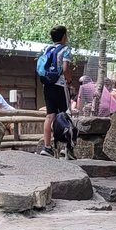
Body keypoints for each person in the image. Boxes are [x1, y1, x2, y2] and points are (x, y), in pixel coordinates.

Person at [38, 25, 73, 157]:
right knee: (65, 114)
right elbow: (65, 68)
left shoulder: (46, 49)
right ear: (64, 36)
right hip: (60, 85)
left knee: (50, 115)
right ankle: (66, 147)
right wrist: (70, 82)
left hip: (47, 85)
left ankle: (47, 147)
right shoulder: (65, 50)